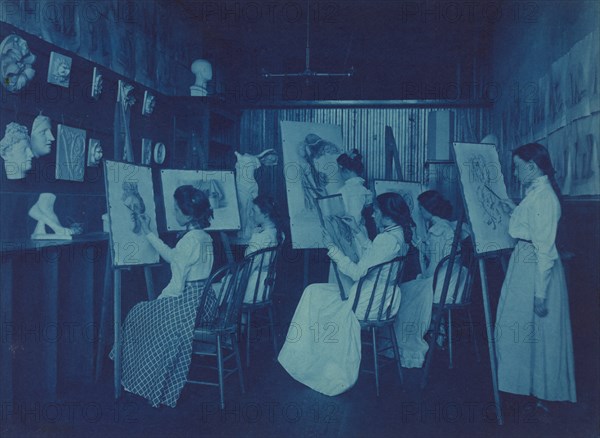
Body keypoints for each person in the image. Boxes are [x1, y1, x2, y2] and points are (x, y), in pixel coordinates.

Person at [278, 192, 414, 396]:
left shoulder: (386, 239)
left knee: (313, 295)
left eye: (376, 212)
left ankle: (311, 360)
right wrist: (356, 230)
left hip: (368, 299)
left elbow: (357, 271)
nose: (373, 216)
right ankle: (306, 354)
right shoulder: (398, 234)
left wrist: (332, 249)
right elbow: (375, 254)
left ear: (387, 215)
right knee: (314, 291)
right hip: (382, 295)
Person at [112, 185, 218, 408]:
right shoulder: (204, 237)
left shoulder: (189, 240)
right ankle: (143, 373)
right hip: (203, 303)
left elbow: (177, 285)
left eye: (176, 210)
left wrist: (160, 302)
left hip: (186, 305)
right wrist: (149, 232)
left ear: (187, 213)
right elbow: (174, 257)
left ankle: (139, 380)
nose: (174, 213)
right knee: (145, 312)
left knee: (138, 313)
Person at [496, 143, 576, 405]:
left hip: (536, 268)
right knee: (522, 329)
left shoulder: (544, 197)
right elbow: (529, 226)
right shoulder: (535, 193)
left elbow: (544, 250)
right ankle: (529, 386)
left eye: (518, 168)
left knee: (538, 330)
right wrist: (512, 208)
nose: (515, 173)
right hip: (525, 262)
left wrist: (541, 294)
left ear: (532, 167)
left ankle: (543, 392)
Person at [393, 190, 468, 368]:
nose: (419, 211)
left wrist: (422, 278)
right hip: (458, 281)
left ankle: (408, 344)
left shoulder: (436, 231)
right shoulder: (450, 226)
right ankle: (437, 334)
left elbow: (434, 266)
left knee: (403, 291)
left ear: (428, 209)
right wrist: (420, 246)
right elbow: (442, 256)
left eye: (420, 208)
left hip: (443, 285)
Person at [328, 149, 373, 290]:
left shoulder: (342, 191)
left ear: (345, 171)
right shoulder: (366, 191)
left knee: (346, 268)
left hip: (346, 234)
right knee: (362, 268)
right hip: (361, 233)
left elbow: (338, 217)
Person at [243, 195, 285, 303]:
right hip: (265, 285)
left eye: (253, 211)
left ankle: (230, 319)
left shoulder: (260, 237)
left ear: (265, 214)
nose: (251, 214)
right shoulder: (278, 233)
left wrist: (237, 279)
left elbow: (250, 265)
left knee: (218, 289)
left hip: (253, 287)